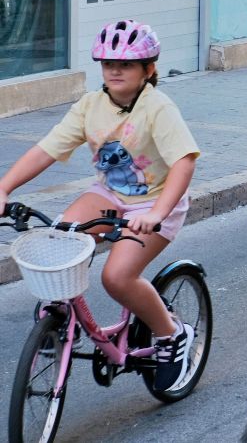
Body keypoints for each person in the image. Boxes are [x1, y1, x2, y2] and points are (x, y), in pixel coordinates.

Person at [0, 20, 199, 393]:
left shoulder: (158, 108)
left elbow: (184, 161)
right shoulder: (91, 106)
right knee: (59, 240)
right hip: (110, 196)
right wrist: (4, 187)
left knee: (117, 277)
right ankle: (59, 316)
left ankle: (172, 335)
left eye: (125, 65)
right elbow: (47, 148)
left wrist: (156, 215)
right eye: (108, 64)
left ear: (148, 70)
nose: (115, 71)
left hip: (156, 201)